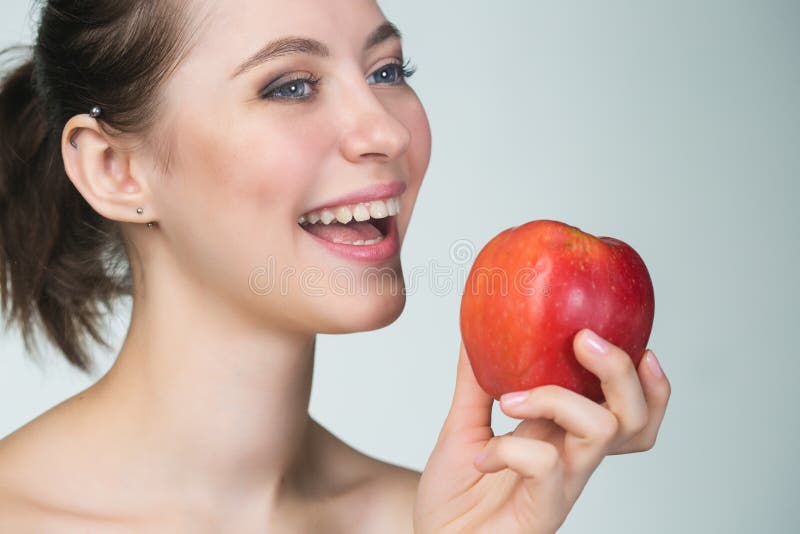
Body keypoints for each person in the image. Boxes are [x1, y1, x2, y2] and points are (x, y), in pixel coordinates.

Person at [0, 0, 671, 532]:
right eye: (290, 86)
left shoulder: (459, 520)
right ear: (116, 170)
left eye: (387, 71)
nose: (388, 131)